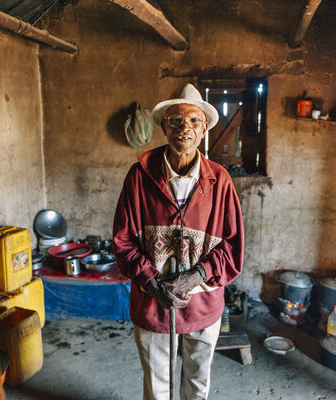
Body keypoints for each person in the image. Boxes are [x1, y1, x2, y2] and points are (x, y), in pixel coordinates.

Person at [113, 84, 244, 400]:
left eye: (194, 122)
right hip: (152, 303)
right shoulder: (139, 176)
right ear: (164, 127)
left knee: (197, 387)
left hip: (203, 304)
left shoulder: (219, 180)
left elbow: (232, 245)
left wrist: (196, 276)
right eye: (175, 121)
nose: (184, 128)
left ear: (203, 131)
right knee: (157, 390)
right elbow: (123, 241)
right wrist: (153, 283)